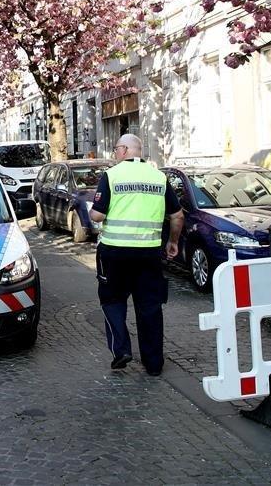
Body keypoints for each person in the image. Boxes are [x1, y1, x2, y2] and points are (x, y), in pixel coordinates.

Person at [88, 134, 183, 374]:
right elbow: (178, 216)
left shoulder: (112, 176)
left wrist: (94, 211)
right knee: (150, 306)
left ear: (123, 150)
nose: (115, 154)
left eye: (115, 149)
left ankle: (121, 350)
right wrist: (173, 242)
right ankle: (153, 364)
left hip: (114, 254)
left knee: (112, 301)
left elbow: (97, 216)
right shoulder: (159, 177)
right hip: (149, 254)